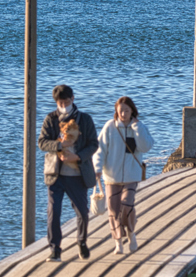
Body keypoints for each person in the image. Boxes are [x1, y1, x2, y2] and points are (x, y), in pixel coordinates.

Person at [39, 84, 99, 262]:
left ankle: (81, 241)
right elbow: (42, 143)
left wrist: (77, 156)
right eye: (60, 102)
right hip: (55, 174)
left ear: (73, 99)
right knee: (53, 212)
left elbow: (94, 144)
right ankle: (55, 249)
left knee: (82, 211)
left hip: (77, 175)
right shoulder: (50, 119)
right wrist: (59, 145)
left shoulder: (85, 119)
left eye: (66, 101)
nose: (63, 105)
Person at [93, 96, 154, 255]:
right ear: (116, 112)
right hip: (111, 177)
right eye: (121, 111)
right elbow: (100, 150)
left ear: (132, 111)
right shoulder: (110, 127)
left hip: (132, 176)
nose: (123, 114)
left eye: (127, 111)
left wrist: (137, 128)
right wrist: (97, 168)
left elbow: (146, 147)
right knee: (113, 210)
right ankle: (118, 242)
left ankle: (131, 233)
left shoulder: (139, 127)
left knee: (127, 205)